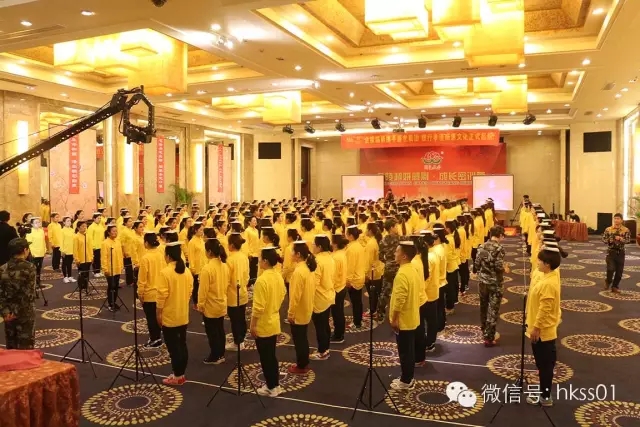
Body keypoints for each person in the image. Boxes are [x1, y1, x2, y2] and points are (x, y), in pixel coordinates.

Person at [526, 247, 562, 407]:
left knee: (545, 365)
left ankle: (545, 397)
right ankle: (544, 394)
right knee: (544, 364)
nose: (537, 263)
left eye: (540, 261)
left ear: (547, 264)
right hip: (543, 328)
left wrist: (536, 327)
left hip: (543, 331)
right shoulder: (549, 275)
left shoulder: (548, 283)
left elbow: (545, 309)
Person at [250, 247, 287, 397]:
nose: (258, 261)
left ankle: (271, 387)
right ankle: (275, 384)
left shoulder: (262, 280)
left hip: (264, 323)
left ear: (265, 261)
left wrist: (252, 325)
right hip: (274, 320)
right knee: (271, 355)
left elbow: (258, 308)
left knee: (266, 357)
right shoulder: (278, 275)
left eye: (260, 259)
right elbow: (283, 294)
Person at [157, 242, 194, 386]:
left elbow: (161, 296)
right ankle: (181, 374)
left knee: (173, 348)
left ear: (168, 256)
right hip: (183, 314)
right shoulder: (186, 271)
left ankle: (177, 376)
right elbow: (190, 290)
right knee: (182, 344)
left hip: (170, 315)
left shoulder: (165, 272)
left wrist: (158, 313)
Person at [389, 241, 422, 390]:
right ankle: (408, 377)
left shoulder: (402, 274)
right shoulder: (412, 269)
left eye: (397, 251)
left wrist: (395, 318)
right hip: (412, 315)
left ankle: (406, 380)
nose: (394, 254)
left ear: (404, 256)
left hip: (404, 319)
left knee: (405, 352)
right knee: (409, 350)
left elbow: (399, 300)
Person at [474, 225, 509, 347]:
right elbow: (498, 267)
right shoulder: (499, 248)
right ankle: (489, 337)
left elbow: (476, 265)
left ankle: (484, 329)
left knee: (483, 307)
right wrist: (505, 268)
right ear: (500, 235)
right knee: (493, 310)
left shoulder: (481, 246)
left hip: (482, 282)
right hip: (495, 283)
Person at [0, 238, 37, 349]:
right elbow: (29, 294)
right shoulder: (30, 267)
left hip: (8, 314)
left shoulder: (2, 268)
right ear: (25, 250)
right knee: (26, 348)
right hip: (25, 313)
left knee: (11, 347)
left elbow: (1, 293)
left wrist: (6, 312)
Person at [198, 238, 230, 365]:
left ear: (209, 252)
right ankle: (221, 353)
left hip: (211, 305)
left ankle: (215, 355)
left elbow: (203, 290)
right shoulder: (224, 266)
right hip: (221, 302)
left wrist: (200, 304)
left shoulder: (207, 269)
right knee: (220, 329)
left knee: (212, 332)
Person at [288, 241, 316, 373]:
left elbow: (295, 296)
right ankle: (303, 362)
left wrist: (291, 313)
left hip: (299, 311)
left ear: (298, 254)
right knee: (302, 337)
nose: (290, 254)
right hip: (306, 307)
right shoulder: (307, 268)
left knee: (299, 339)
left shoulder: (299, 272)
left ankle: (301, 365)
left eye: (292, 251)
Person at [309, 235, 335, 361]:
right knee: (325, 325)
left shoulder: (318, 260)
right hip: (328, 295)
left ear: (319, 247)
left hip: (319, 297)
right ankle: (326, 348)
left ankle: (322, 351)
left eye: (314, 245)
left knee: (320, 326)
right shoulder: (330, 257)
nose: (312, 247)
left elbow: (315, 282)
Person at [137, 232, 165, 348]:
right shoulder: (161, 255)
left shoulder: (145, 258)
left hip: (149, 293)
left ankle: (155, 338)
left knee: (151, 318)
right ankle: (157, 336)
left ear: (146, 243)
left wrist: (140, 293)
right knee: (158, 316)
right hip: (161, 291)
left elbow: (142, 279)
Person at [226, 232, 250, 351]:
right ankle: (242, 339)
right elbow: (247, 275)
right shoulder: (244, 257)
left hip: (232, 294)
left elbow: (227, 279)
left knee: (235, 319)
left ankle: (238, 342)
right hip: (243, 292)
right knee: (241, 317)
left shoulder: (230, 260)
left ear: (231, 245)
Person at [375, 218, 400, 323]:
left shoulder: (383, 241)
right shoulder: (400, 239)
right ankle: (399, 313)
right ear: (391, 228)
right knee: (400, 292)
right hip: (399, 269)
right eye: (396, 226)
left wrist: (388, 262)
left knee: (385, 292)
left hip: (389, 268)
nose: (397, 228)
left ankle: (380, 313)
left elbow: (380, 256)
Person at [602, 213, 630, 293]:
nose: (616, 220)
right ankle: (608, 281)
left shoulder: (626, 230)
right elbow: (604, 239)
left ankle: (615, 286)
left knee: (619, 271)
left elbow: (628, 240)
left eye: (618, 219)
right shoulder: (608, 229)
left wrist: (621, 239)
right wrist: (609, 240)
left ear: (621, 220)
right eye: (615, 218)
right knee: (610, 269)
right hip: (611, 252)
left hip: (620, 252)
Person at [345, 226, 366, 329]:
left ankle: (357, 322)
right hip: (360, 276)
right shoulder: (359, 245)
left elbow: (350, 266)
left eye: (347, 233)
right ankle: (359, 320)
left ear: (351, 236)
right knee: (358, 301)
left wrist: (347, 280)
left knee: (356, 302)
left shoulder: (351, 249)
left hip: (354, 279)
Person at [101, 225, 124, 312]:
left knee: (116, 286)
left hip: (117, 267)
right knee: (111, 286)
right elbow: (104, 257)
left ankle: (114, 302)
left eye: (116, 231)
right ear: (109, 232)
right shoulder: (105, 243)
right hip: (110, 268)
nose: (115, 233)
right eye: (113, 231)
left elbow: (120, 255)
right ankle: (110, 304)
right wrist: (105, 269)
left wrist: (121, 265)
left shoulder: (118, 241)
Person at [330, 234, 348, 343]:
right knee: (339, 312)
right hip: (342, 286)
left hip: (337, 288)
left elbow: (334, 275)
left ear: (335, 244)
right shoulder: (341, 253)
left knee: (337, 313)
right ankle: (339, 333)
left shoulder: (336, 257)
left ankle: (338, 335)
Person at [25, 217, 46, 288]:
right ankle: (33, 284)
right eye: (36, 222)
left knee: (39, 268)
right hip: (34, 253)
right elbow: (29, 244)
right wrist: (31, 253)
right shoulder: (30, 232)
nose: (38, 224)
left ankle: (38, 282)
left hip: (41, 252)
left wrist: (45, 249)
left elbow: (43, 241)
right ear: (32, 224)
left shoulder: (41, 231)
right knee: (33, 269)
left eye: (39, 222)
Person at [73, 221, 93, 292]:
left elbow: (90, 247)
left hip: (88, 258)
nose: (85, 228)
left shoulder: (88, 236)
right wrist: (76, 259)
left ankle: (86, 287)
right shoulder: (76, 237)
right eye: (83, 226)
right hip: (81, 259)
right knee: (82, 274)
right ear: (78, 228)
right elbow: (75, 249)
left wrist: (92, 256)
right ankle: (81, 287)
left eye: (85, 226)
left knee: (87, 274)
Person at [60, 217, 75, 283]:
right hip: (65, 250)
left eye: (70, 221)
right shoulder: (62, 231)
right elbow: (61, 241)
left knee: (70, 264)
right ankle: (65, 277)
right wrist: (62, 250)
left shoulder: (72, 230)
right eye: (67, 221)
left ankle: (70, 276)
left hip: (71, 249)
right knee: (65, 263)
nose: (69, 222)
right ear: (64, 222)